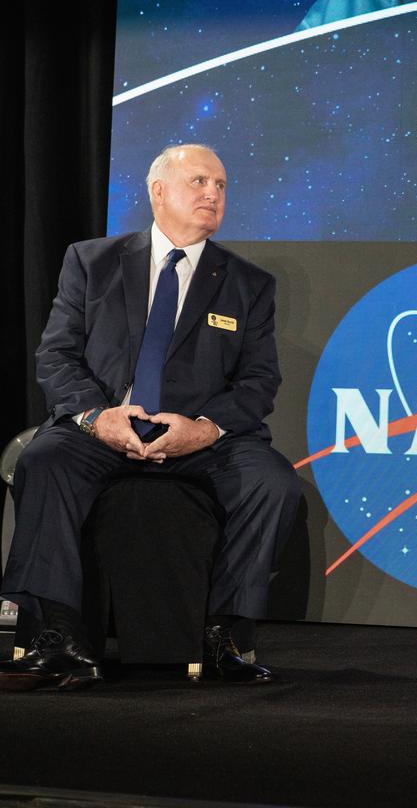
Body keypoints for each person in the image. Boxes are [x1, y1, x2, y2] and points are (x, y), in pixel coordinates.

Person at [0, 144, 300, 689]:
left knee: (272, 483)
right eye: (200, 181)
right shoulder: (90, 261)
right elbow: (57, 355)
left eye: (222, 186)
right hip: (103, 426)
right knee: (43, 461)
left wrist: (204, 429)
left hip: (200, 436)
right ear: (158, 191)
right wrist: (97, 417)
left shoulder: (248, 283)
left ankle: (223, 636)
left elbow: (259, 382)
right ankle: (60, 635)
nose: (213, 194)